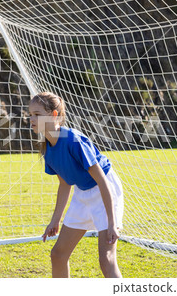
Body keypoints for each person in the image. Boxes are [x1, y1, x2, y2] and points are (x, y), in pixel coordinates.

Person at [29, 91, 124, 278]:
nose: (32, 119)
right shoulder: (47, 146)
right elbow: (64, 184)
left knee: (107, 260)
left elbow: (102, 181)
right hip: (83, 193)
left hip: (105, 191)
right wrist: (55, 220)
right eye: (30, 115)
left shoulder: (73, 140)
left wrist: (112, 223)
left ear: (54, 115)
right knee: (58, 255)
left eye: (37, 115)